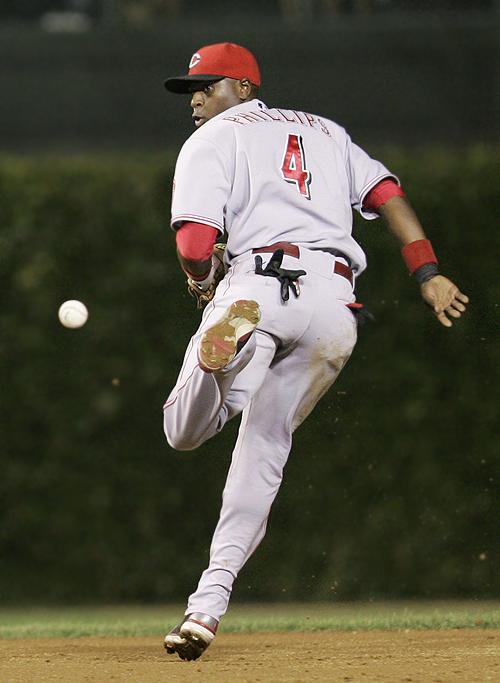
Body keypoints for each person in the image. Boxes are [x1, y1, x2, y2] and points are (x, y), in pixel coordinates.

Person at [161, 42, 469, 661]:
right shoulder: (328, 132)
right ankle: (205, 610)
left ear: (244, 88)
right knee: (265, 449)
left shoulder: (214, 140)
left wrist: (201, 285)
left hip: (253, 286)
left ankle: (225, 359)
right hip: (333, 305)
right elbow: (387, 196)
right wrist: (426, 271)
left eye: (208, 85)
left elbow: (196, 240)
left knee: (183, 433)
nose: (196, 98)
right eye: (191, 89)